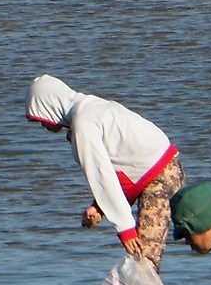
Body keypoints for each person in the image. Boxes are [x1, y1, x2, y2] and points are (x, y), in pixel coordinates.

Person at [25, 76, 186, 267]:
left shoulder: (83, 124)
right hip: (165, 168)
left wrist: (125, 228)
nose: (42, 125)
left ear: (49, 106)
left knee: (144, 261)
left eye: (39, 118)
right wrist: (100, 207)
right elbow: (123, 164)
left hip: (159, 177)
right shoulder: (91, 106)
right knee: (143, 261)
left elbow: (101, 174)